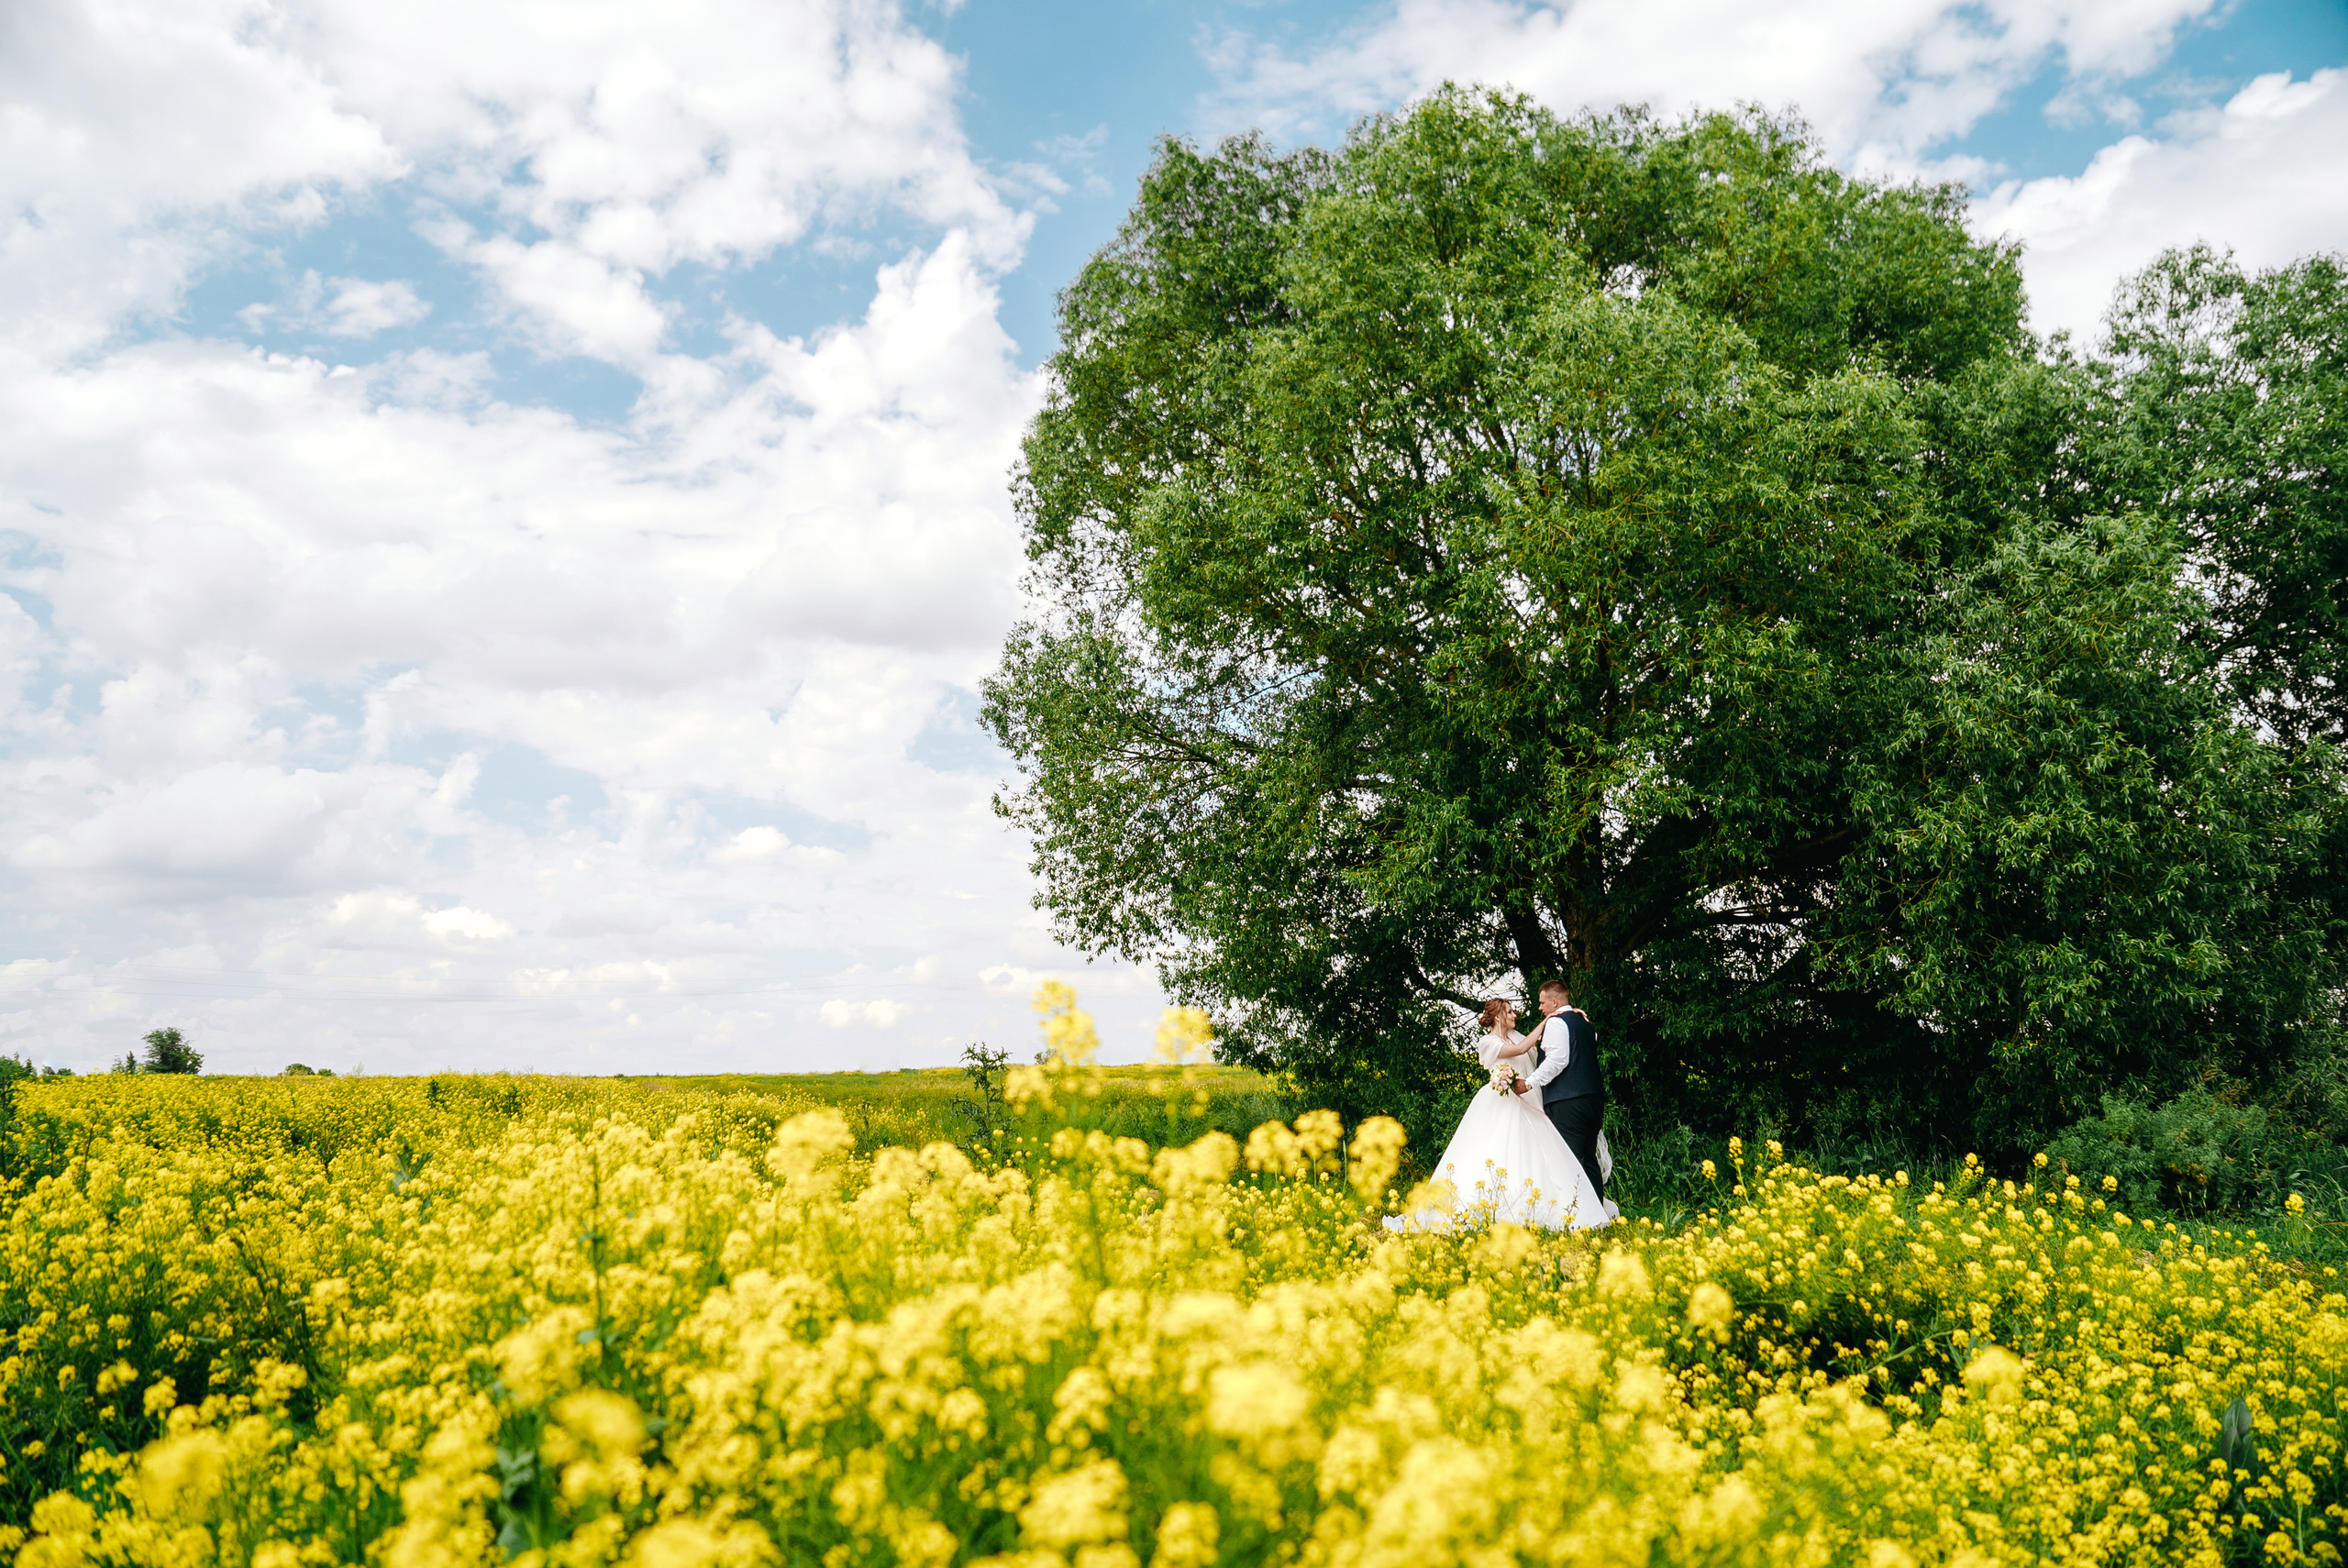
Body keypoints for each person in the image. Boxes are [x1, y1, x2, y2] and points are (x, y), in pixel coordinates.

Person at [1385, 997, 1609, 1231]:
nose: (1515, 1016)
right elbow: (1522, 1049)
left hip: (1527, 1100)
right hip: (1500, 1101)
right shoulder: (1488, 1042)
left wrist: (1566, 1014)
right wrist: (1549, 1018)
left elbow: (1551, 1045)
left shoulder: (1517, 1036)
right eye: (1510, 1012)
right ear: (1500, 1015)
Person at [1513, 978, 1611, 1212]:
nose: (1540, 1008)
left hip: (1568, 1101)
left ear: (1554, 1001)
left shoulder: (1557, 1024)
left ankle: (1575, 1217)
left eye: (1542, 1003)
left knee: (1568, 1159)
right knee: (1588, 1158)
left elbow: (1558, 1060)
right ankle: (1596, 1212)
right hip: (1593, 1100)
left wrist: (1528, 1083)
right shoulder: (1585, 1024)